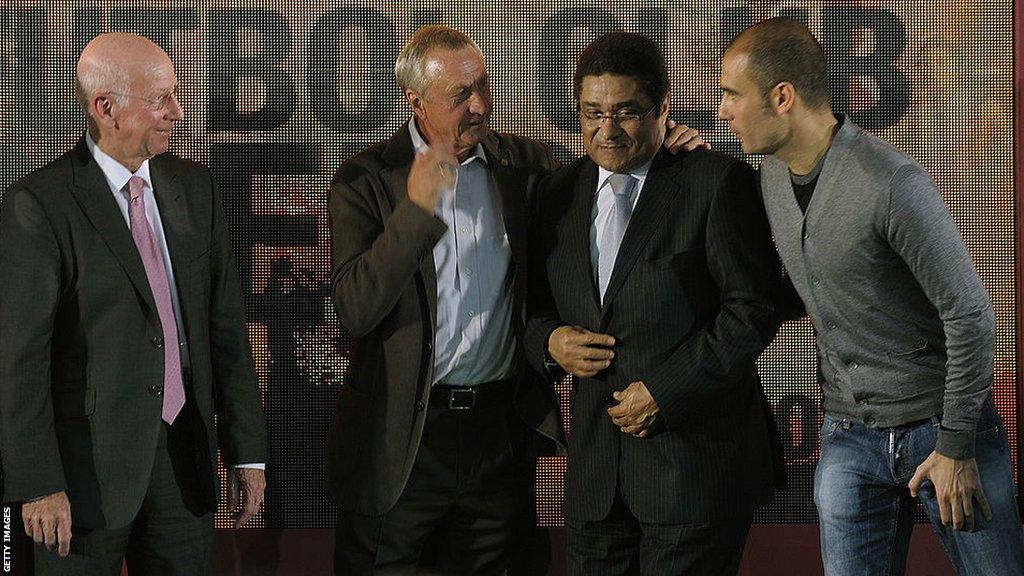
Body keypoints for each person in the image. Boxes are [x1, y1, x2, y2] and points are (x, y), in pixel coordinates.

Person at [328, 25, 704, 575]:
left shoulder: (527, 167)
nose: (480, 105)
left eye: (483, 85)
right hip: (403, 444)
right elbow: (356, 310)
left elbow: (614, 176)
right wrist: (415, 210)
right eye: (460, 95)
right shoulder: (366, 178)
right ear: (417, 102)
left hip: (496, 437)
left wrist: (668, 152)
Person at [718, 17, 1024, 575]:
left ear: (782, 97)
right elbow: (814, 283)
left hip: (941, 429)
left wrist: (956, 445)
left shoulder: (890, 182)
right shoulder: (770, 176)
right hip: (847, 435)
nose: (722, 112)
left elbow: (973, 317)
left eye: (732, 94)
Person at [0, 33, 269, 575]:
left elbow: (226, 329)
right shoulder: (40, 204)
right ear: (107, 108)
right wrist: (38, 484)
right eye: (160, 99)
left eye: (175, 95)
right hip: (80, 485)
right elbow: (19, 359)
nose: (177, 111)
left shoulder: (195, 188)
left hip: (184, 465)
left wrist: (246, 450)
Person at [525, 31, 782, 575]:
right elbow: (530, 307)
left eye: (625, 112)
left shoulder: (715, 182)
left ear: (663, 108)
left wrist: (665, 392)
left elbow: (751, 310)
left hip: (694, 473)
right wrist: (549, 341)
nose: (606, 130)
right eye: (591, 112)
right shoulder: (555, 195)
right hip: (597, 485)